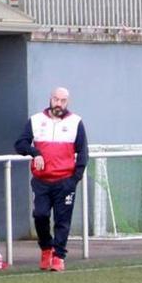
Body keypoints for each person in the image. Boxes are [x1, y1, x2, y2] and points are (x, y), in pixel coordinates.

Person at [15, 87, 88, 272]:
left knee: (62, 220)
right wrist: (35, 152)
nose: (59, 104)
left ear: (67, 102)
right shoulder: (36, 120)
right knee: (40, 215)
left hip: (65, 180)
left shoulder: (76, 122)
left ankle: (58, 256)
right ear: (50, 99)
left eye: (63, 100)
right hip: (42, 181)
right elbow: (20, 144)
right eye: (56, 99)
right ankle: (46, 248)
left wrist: (75, 179)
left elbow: (83, 153)